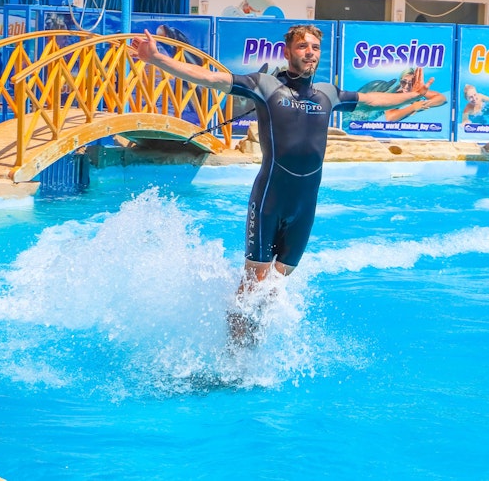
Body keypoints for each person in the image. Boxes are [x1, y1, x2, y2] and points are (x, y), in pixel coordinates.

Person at [129, 24, 435, 341]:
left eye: (315, 47)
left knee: (275, 284)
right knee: (253, 281)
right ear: (287, 52)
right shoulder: (265, 86)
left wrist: (411, 95)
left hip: (305, 206)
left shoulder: (327, 94)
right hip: (269, 201)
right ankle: (233, 354)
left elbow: (371, 100)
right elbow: (211, 79)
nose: (310, 52)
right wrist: (156, 60)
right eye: (303, 46)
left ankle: (254, 352)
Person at [351, 68, 447, 122]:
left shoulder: (417, 91)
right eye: (404, 82)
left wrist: (423, 104)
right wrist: (413, 107)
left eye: (411, 83)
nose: (407, 86)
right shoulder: (394, 95)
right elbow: (390, 118)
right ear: (400, 82)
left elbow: (442, 98)